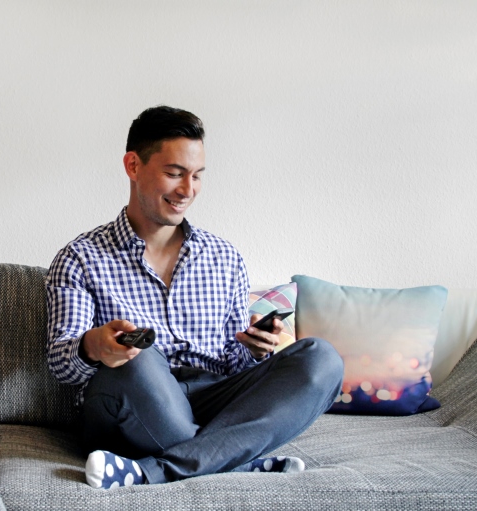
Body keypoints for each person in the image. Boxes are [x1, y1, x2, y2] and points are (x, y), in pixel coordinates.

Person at [45, 106, 344, 489]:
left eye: (197, 175)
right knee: (140, 357)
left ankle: (157, 470)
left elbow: (233, 367)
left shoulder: (225, 258)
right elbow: (61, 366)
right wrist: (93, 347)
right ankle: (231, 459)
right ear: (133, 165)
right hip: (131, 400)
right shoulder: (80, 258)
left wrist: (254, 350)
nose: (188, 190)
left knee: (322, 359)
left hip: (211, 398)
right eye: (174, 173)